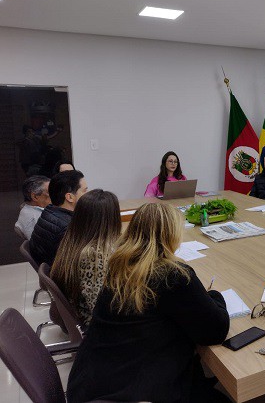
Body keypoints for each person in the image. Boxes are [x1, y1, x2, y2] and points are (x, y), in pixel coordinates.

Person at [66, 202, 231, 403]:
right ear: (172, 236)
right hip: (134, 394)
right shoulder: (172, 275)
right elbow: (215, 331)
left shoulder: (119, 265)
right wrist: (214, 295)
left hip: (90, 385)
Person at [50, 189, 121, 327]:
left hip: (80, 315)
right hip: (94, 325)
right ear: (112, 218)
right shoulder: (94, 255)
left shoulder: (74, 239)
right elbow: (99, 307)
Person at [29, 170, 88, 267]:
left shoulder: (49, 211)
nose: (89, 195)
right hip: (63, 272)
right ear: (69, 197)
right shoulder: (66, 228)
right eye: (85, 191)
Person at [15, 175, 51, 239]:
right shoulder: (35, 220)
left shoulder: (30, 209)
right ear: (35, 197)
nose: (56, 195)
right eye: (51, 193)